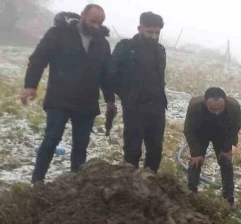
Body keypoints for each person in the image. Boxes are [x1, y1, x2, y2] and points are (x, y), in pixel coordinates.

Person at [21, 5, 116, 184]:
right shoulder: (58, 33)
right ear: (82, 16)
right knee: (51, 139)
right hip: (60, 98)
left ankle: (76, 186)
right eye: (93, 21)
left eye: (100, 23)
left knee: (81, 146)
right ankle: (37, 181)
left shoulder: (102, 43)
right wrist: (30, 85)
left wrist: (110, 100)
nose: (96, 26)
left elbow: (105, 74)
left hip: (87, 103)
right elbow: (38, 59)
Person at [108, 11, 167, 172]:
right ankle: (129, 186)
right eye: (150, 32)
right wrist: (126, 95)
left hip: (157, 107)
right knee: (133, 150)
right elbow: (111, 74)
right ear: (140, 28)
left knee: (155, 150)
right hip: (135, 107)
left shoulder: (160, 50)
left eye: (157, 32)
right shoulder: (126, 48)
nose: (154, 36)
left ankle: (150, 182)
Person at [183, 87, 241, 208]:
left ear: (225, 101)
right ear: (205, 102)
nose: (217, 112)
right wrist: (196, 152)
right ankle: (191, 192)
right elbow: (189, 130)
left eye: (220, 108)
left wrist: (226, 149)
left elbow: (234, 129)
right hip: (201, 133)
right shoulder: (195, 106)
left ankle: (229, 198)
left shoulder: (233, 106)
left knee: (226, 163)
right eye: (212, 109)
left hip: (222, 134)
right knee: (196, 161)